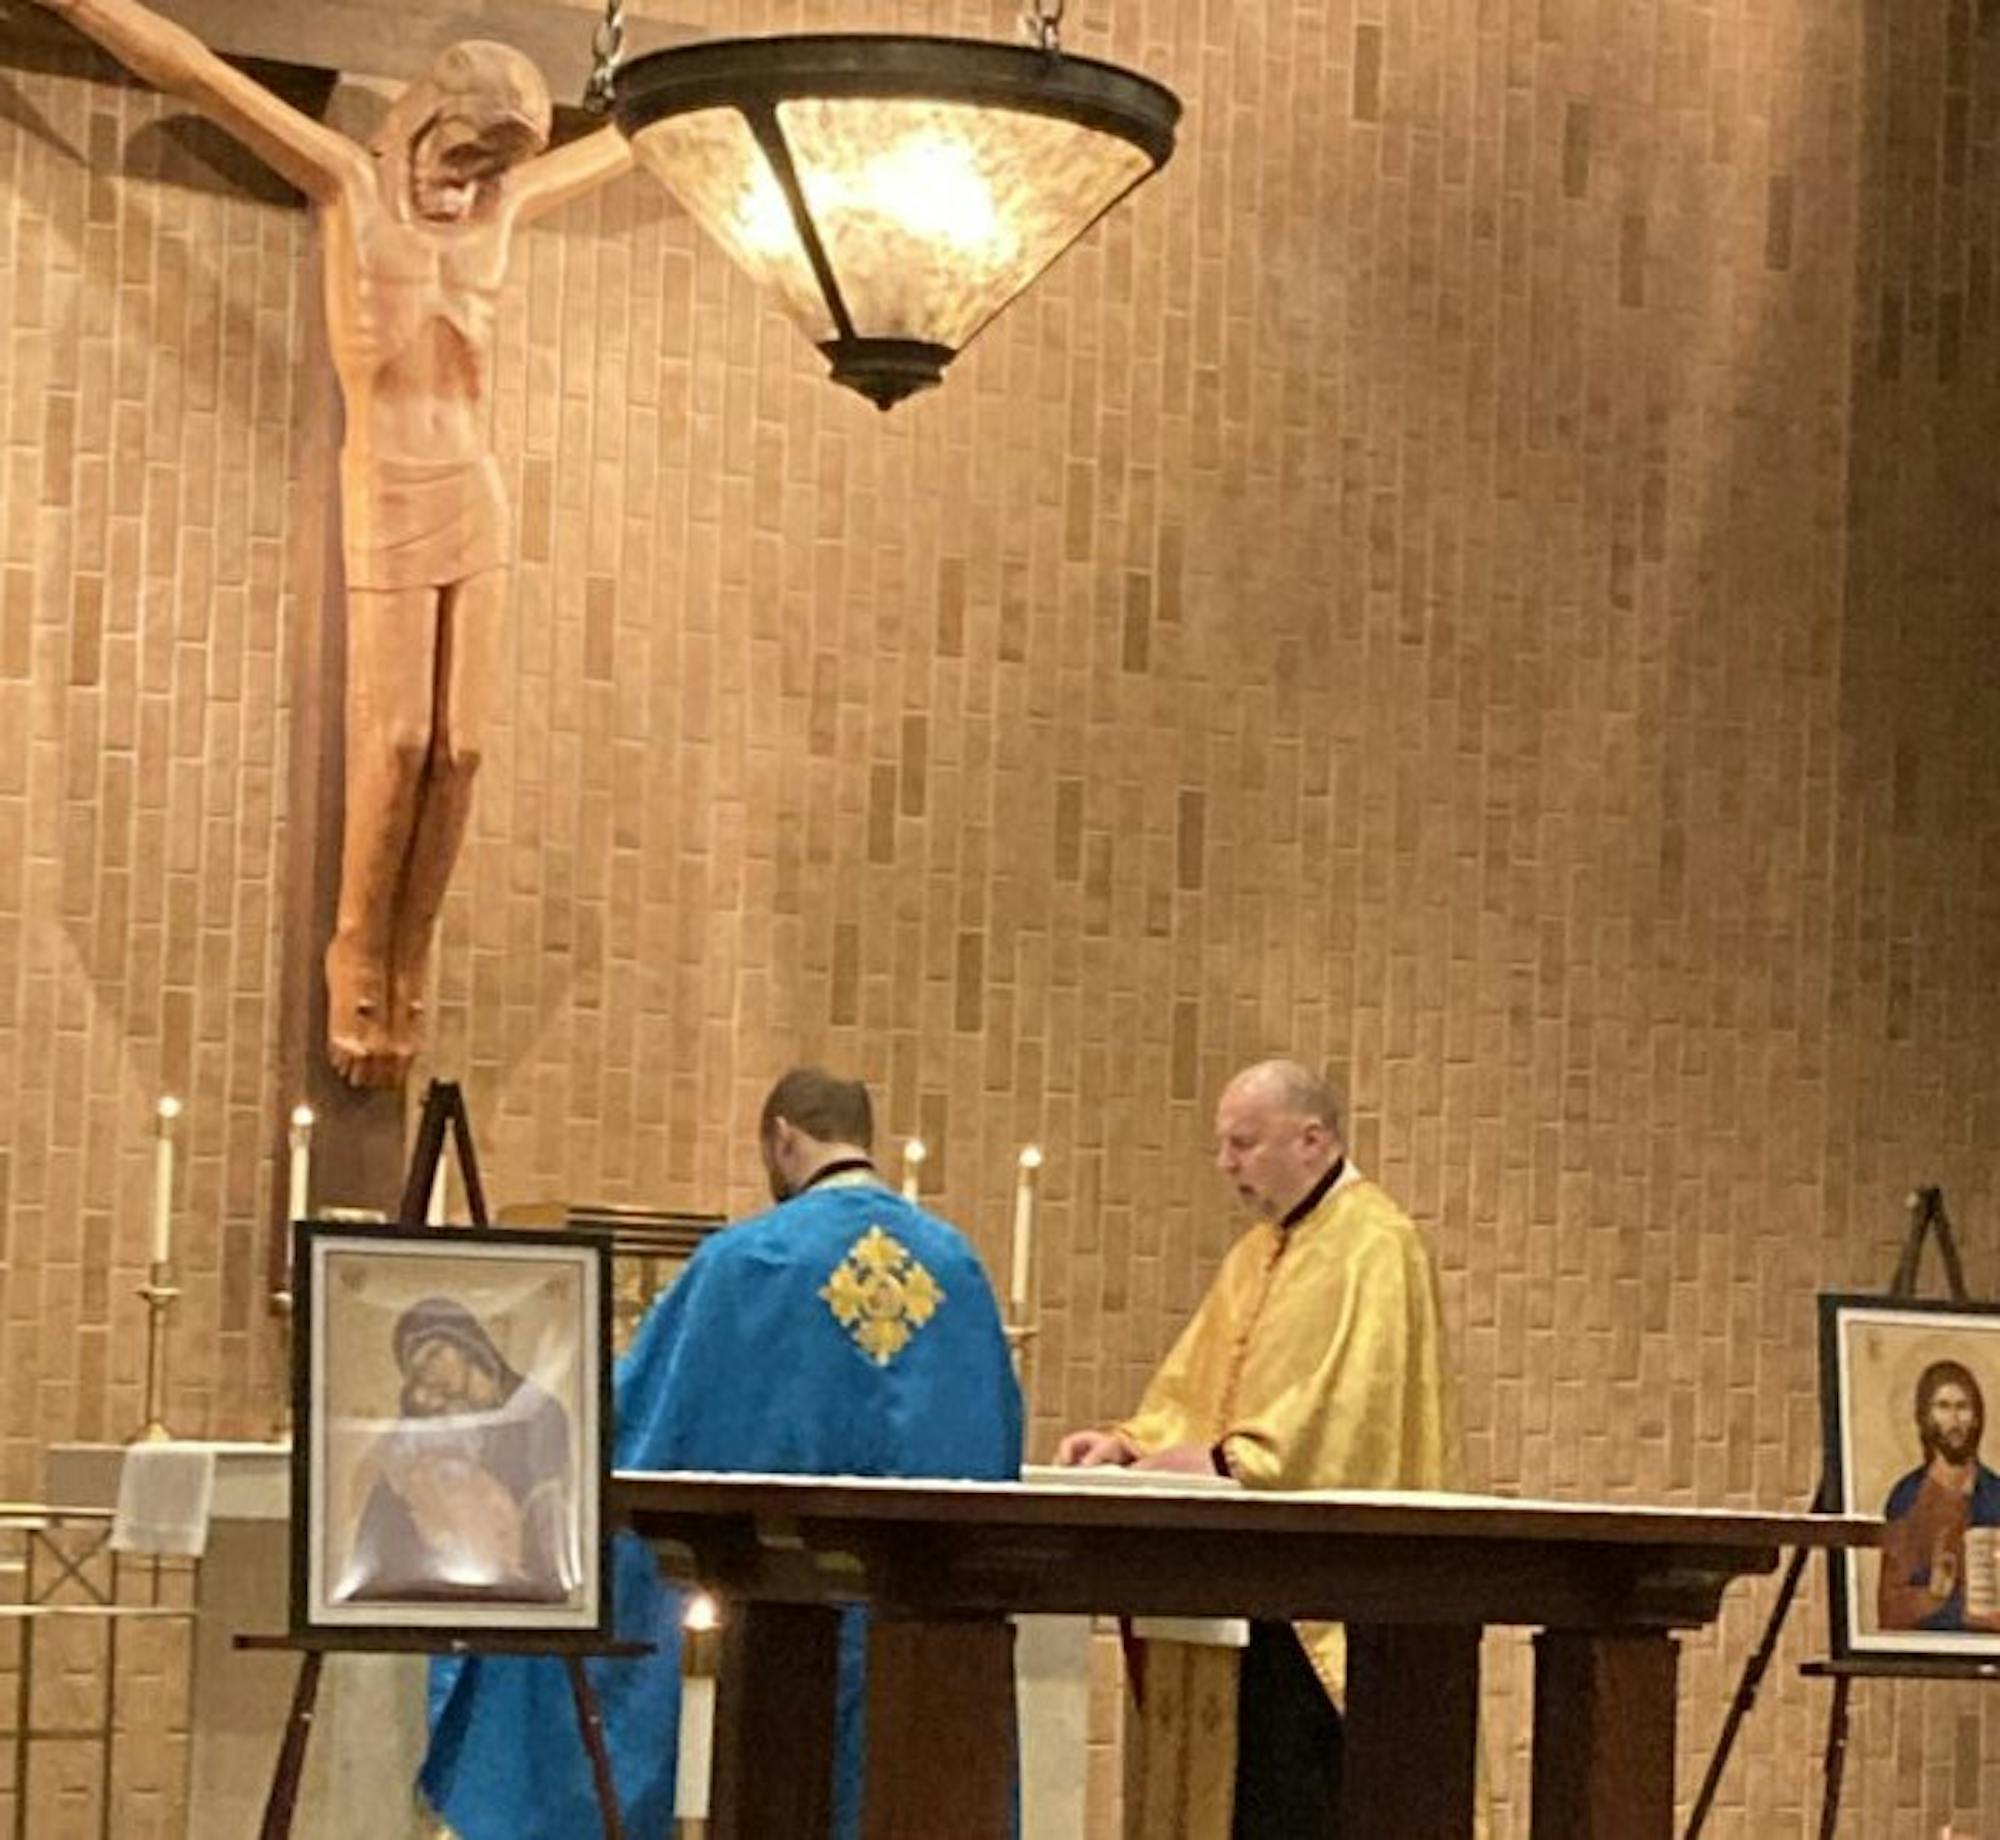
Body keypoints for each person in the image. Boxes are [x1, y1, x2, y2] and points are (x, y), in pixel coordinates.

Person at [31, 0, 633, 1087]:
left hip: (474, 486)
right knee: (399, 740)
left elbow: (652, 133)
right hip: (390, 483)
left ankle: (417, 955)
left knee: (465, 750)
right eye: (459, 155)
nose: (469, 184)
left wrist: (771, 92)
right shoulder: (349, 186)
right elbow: (200, 74)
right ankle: (360, 944)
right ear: (417, 125)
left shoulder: (502, 209)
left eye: (492, 166)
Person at [421, 1067, 1023, 1840]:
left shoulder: (746, 1262)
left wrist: (518, 1416)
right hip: (921, 1639)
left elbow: (644, 1426)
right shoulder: (959, 1266)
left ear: (782, 1140)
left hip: (776, 1637)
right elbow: (996, 1432)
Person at [1055, 1059, 1460, 1840]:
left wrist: (1230, 1462)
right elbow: (1193, 1386)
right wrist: (1126, 1444)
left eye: (1243, 1144)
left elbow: (1348, 1408)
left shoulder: (1377, 1245)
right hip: (1245, 1580)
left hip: (1328, 1589)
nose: (1226, 1165)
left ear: (1312, 1140)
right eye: (1223, 1146)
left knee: (1309, 1799)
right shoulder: (1256, 1255)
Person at [339, 1297, 576, 1606]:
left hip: (514, 1562)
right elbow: (384, 1468)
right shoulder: (433, 1416)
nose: (430, 1370)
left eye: (436, 1353)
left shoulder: (538, 1410)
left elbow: (547, 1503)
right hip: (448, 1557)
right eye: (418, 1367)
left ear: (466, 1343)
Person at [1877, 1358, 2000, 1632]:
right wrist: (1932, 1596)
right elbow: (1889, 1608)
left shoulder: (1996, 1493)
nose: (1955, 1421)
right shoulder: (1907, 1496)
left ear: (1977, 1416)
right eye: (1943, 1407)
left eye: (1963, 1407)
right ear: (1925, 1417)